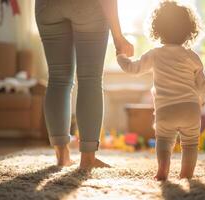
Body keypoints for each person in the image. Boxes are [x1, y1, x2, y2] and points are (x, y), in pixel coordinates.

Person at [35, 0, 133, 169]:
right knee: (90, 79)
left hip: (47, 6)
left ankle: (62, 156)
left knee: (58, 78)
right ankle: (88, 159)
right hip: (87, 6)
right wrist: (118, 37)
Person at [117, 1, 205, 180]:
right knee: (190, 144)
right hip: (190, 108)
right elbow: (201, 84)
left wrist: (121, 57)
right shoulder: (192, 56)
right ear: (189, 30)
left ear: (156, 29)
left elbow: (133, 69)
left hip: (166, 110)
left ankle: (163, 171)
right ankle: (186, 174)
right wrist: (200, 101)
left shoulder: (155, 54)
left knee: (164, 141)